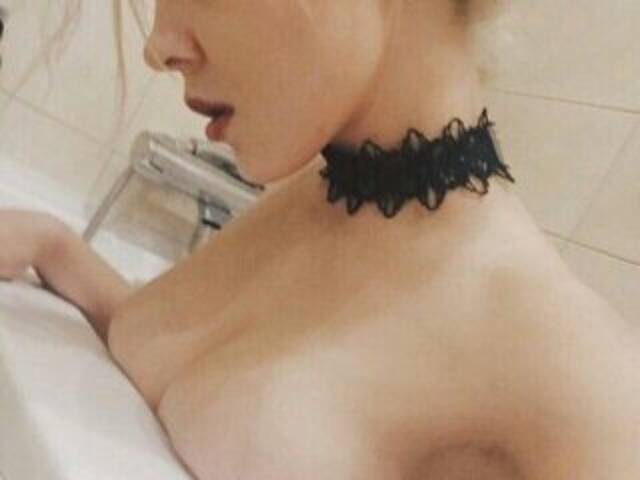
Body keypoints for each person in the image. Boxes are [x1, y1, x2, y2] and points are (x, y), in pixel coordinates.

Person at [2, 0, 640, 478]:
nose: (159, 45)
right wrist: (51, 245)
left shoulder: (575, 379)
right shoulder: (309, 199)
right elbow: (178, 364)